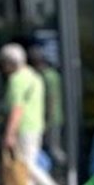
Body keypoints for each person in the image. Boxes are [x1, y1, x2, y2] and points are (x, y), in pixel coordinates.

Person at [0, 43, 71, 185]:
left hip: (23, 128)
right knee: (25, 165)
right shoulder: (35, 77)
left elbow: (17, 109)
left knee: (26, 165)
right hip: (36, 126)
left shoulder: (16, 80)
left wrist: (9, 133)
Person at [29, 47, 67, 176]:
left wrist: (46, 121)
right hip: (57, 116)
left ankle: (62, 170)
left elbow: (50, 99)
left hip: (51, 119)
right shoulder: (54, 74)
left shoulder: (45, 77)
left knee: (53, 148)